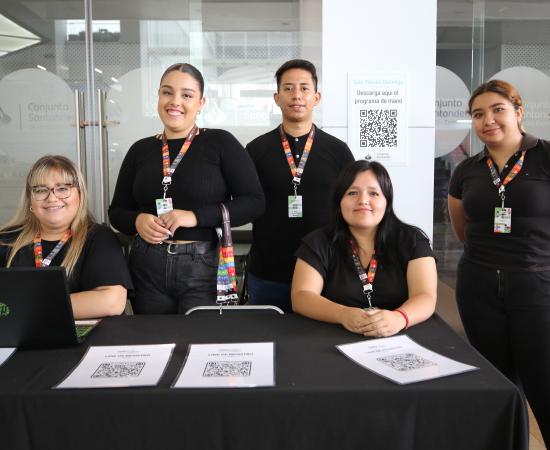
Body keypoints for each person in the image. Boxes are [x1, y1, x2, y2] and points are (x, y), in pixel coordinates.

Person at [109, 63, 264, 314]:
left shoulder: (220, 142)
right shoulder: (140, 150)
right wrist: (137, 221)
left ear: (201, 102)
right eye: (167, 92)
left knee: (200, 337)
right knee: (152, 337)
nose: (175, 101)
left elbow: (254, 203)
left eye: (187, 95)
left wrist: (195, 216)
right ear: (158, 96)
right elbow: (117, 212)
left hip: (202, 267)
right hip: (146, 266)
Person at [448, 79, 550, 447]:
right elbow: (462, 227)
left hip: (536, 287)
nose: (487, 120)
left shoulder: (546, 156)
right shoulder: (467, 170)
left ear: (518, 112)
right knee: (497, 387)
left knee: (543, 382)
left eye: (497, 110)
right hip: (478, 287)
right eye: (478, 114)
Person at [246, 59, 355, 312]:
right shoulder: (256, 150)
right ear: (277, 97)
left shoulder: (338, 151)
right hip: (268, 272)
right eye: (288, 88)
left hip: (325, 271)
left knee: (319, 337)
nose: (296, 95)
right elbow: (244, 201)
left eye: (304, 88)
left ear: (316, 98)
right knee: (266, 335)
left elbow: (351, 206)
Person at [292, 160, 437, 336]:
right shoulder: (318, 241)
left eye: (373, 193)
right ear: (339, 201)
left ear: (387, 201)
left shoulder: (412, 240)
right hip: (333, 337)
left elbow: (425, 295)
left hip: (400, 337)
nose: (363, 200)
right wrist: (342, 314)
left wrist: (399, 318)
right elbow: (301, 296)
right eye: (352, 193)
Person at [0, 155, 132, 319]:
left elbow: (112, 302)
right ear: (30, 200)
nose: (52, 198)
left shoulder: (99, 238)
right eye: (40, 190)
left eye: (62, 189)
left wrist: (27, 308)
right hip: (17, 335)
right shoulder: (6, 240)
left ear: (80, 195)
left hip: (81, 334)